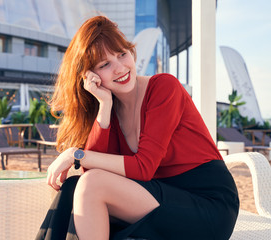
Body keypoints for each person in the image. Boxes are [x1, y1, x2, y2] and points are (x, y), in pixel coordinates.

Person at [36, 15, 239, 240]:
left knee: (91, 185)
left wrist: (76, 154)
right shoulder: (109, 108)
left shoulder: (164, 87)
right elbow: (93, 172)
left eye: (122, 54)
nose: (120, 68)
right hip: (157, 196)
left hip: (206, 206)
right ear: (89, 76)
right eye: (105, 64)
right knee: (75, 187)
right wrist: (104, 105)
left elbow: (143, 168)